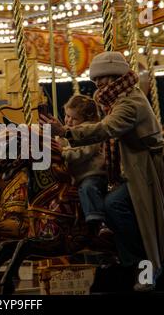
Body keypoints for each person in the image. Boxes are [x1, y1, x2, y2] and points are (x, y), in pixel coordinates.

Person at [41, 51, 164, 291]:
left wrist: (66, 133)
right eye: (96, 80)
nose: (98, 84)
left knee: (114, 204)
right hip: (133, 169)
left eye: (102, 79)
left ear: (115, 76)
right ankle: (124, 256)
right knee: (109, 201)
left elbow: (107, 129)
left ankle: (145, 266)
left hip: (149, 171)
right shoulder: (117, 100)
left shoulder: (130, 102)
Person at [56, 95, 110, 236]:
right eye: (67, 116)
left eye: (74, 118)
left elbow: (82, 152)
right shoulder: (66, 132)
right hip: (75, 177)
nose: (69, 121)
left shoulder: (90, 131)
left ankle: (99, 222)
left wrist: (62, 152)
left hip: (93, 174)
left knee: (88, 188)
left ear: (87, 119)